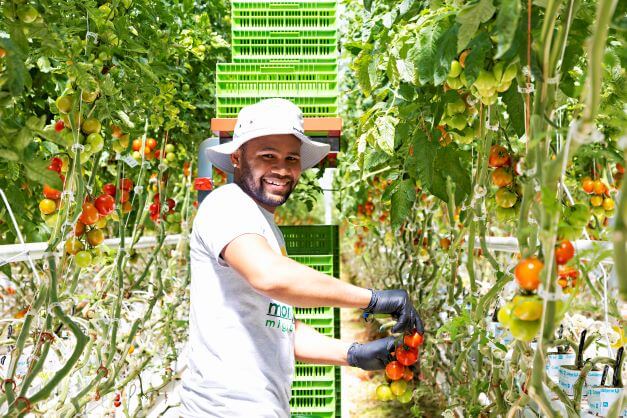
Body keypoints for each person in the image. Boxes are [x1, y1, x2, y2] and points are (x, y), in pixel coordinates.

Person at [178, 98, 424, 417]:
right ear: (237, 157)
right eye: (268, 156)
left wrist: (353, 353)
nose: (282, 169)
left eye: (291, 158)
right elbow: (270, 276)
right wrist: (372, 299)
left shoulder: (262, 225)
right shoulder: (226, 204)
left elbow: (276, 326)